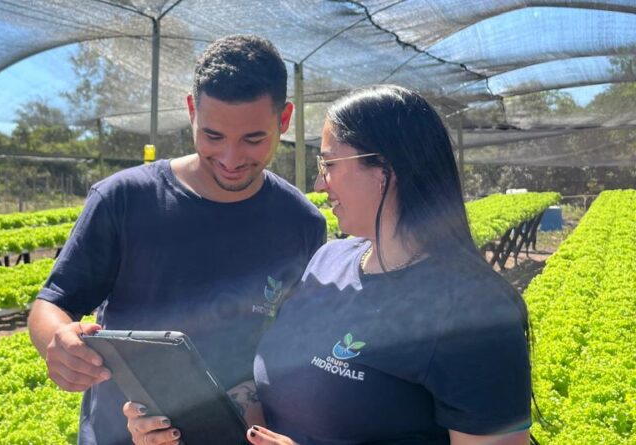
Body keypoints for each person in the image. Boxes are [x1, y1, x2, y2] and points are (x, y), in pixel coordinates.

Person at [125, 85, 532, 445]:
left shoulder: (473, 312)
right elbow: (271, 391)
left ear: (386, 169)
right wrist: (183, 427)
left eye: (329, 165)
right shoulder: (329, 260)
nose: (320, 184)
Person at [27, 34, 327, 445]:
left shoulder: (301, 224)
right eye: (213, 136)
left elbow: (292, 350)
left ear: (285, 118)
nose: (231, 158)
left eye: (253, 139)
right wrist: (59, 344)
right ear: (191, 111)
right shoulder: (124, 199)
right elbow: (53, 303)